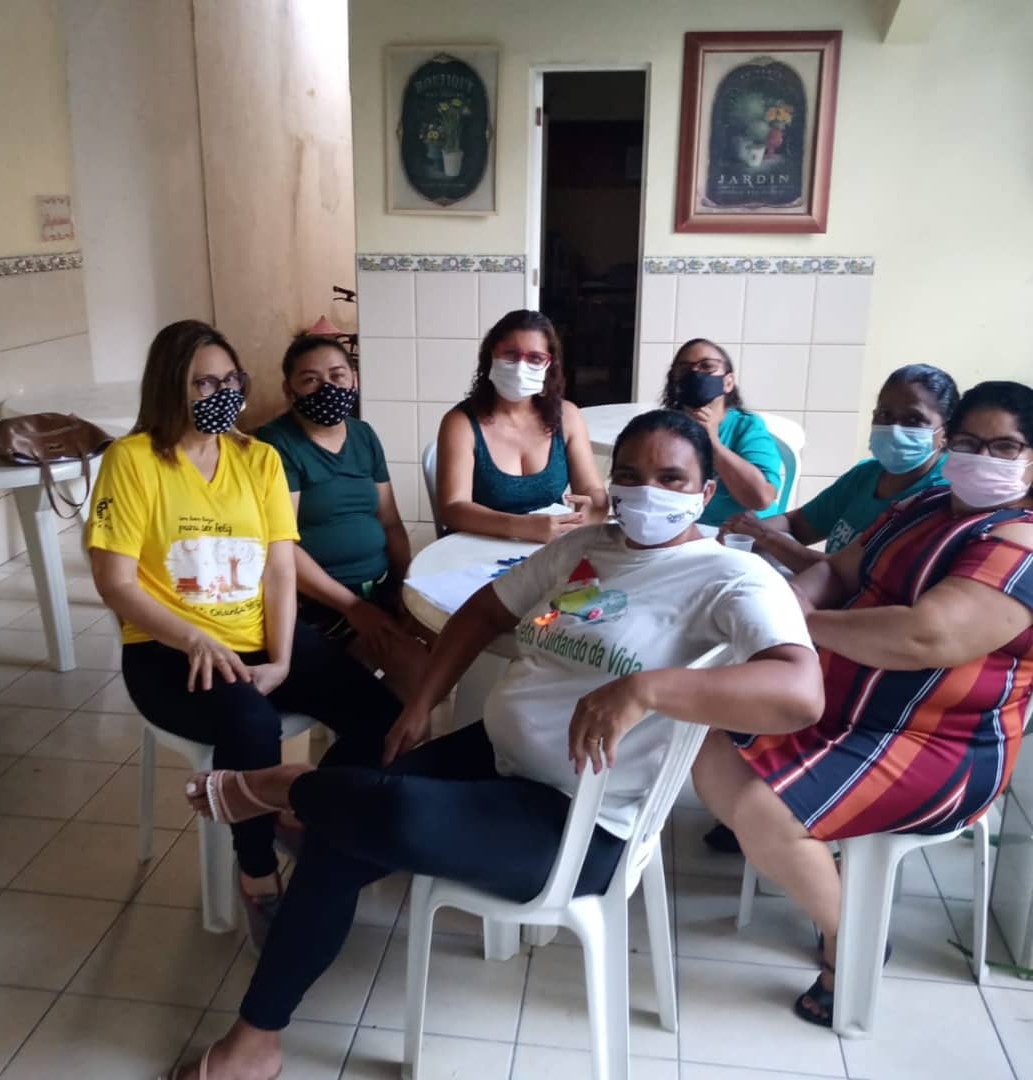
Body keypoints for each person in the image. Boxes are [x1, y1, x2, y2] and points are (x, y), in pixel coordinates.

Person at [165, 409, 823, 1079]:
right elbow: (483, 610)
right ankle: (258, 1037)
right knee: (348, 821)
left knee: (380, 813)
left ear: (705, 491)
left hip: (579, 821)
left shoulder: (731, 578)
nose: (646, 492)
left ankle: (283, 789)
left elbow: (801, 691)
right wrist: (420, 704)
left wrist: (647, 688)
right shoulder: (586, 546)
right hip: (494, 755)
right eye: (628, 475)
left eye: (670, 478)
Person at [692, 380, 1033, 1028]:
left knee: (766, 811)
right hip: (846, 709)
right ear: (947, 443)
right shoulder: (926, 502)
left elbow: (925, 637)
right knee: (713, 753)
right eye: (967, 442)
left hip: (941, 743)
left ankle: (851, 940)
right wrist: (793, 601)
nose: (980, 458)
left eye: (1004, 447)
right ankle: (833, 883)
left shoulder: (1021, 544)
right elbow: (839, 568)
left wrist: (805, 626)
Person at [86, 320, 400, 949]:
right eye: (204, 383)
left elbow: (281, 569)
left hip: (259, 635)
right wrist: (193, 639)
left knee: (381, 714)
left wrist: (281, 658)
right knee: (253, 724)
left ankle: (303, 813)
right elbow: (115, 581)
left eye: (231, 381)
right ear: (170, 387)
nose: (223, 394)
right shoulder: (133, 460)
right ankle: (257, 875)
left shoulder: (257, 459)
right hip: (167, 650)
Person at [256, 332, 428, 701]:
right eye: (311, 380)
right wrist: (353, 608)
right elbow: (281, 547)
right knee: (419, 673)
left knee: (454, 642)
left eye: (337, 376)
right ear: (289, 390)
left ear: (354, 379)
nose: (328, 388)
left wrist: (405, 588)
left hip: (377, 589)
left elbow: (391, 523)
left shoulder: (364, 435)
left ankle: (376, 720)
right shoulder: (274, 445)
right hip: (319, 604)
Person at [723, 364, 959, 574]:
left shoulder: (940, 498)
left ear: (946, 433)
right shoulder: (867, 474)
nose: (894, 429)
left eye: (914, 420)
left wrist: (765, 536)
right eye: (885, 414)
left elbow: (858, 576)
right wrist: (743, 529)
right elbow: (799, 524)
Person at [436, 309, 609, 541]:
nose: (520, 367)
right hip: (476, 546)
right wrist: (521, 527)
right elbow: (452, 508)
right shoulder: (461, 423)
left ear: (549, 365)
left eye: (535, 358)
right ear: (491, 355)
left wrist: (594, 509)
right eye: (510, 354)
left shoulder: (567, 417)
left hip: (548, 545)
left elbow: (592, 490)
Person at [661, 338, 782, 527]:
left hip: (749, 534)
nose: (695, 373)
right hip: (688, 532)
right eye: (684, 369)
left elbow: (761, 498)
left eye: (707, 366)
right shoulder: (664, 429)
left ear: (728, 382)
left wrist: (712, 442)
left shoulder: (746, 427)